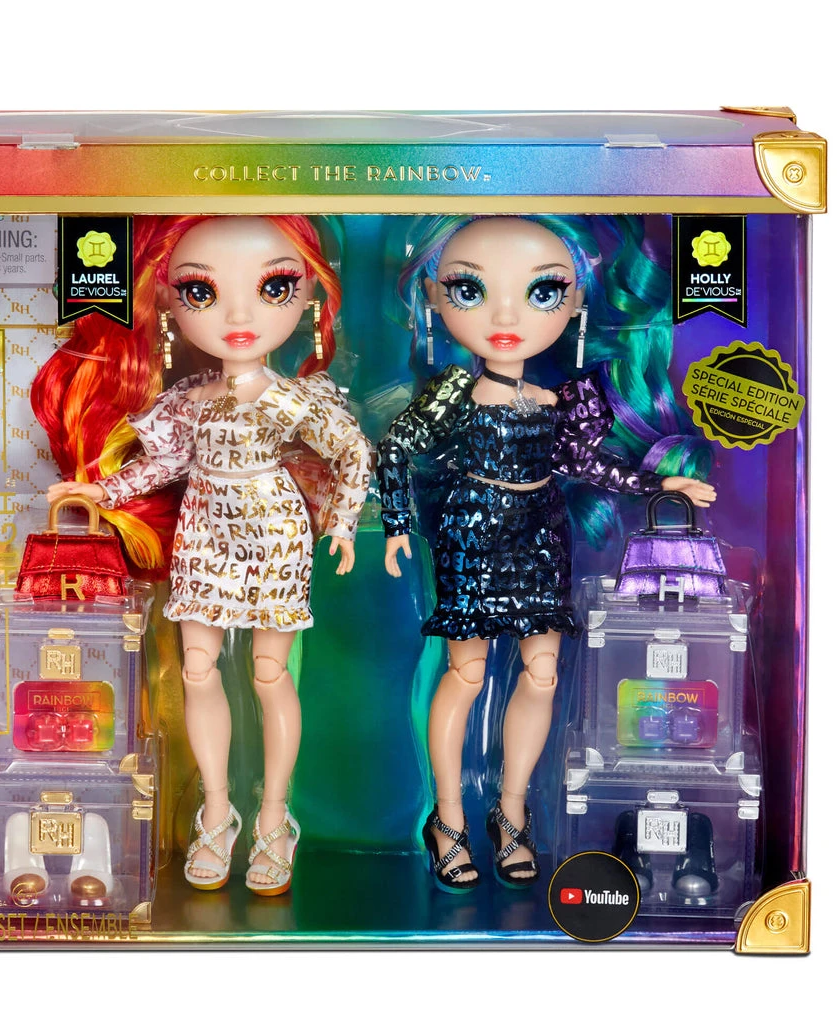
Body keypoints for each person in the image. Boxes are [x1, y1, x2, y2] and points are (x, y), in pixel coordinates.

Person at [377, 216, 715, 891]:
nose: (506, 317)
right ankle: (448, 818)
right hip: (473, 529)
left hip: (541, 531)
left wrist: (659, 485)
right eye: (470, 290)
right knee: (467, 673)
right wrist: (395, 525)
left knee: (542, 672)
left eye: (541, 292)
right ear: (434, 297)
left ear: (576, 300)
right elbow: (393, 450)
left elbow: (589, 465)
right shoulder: (451, 395)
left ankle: (511, 811)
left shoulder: (554, 401)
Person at [38, 215, 371, 895]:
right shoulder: (189, 401)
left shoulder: (291, 399)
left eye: (273, 287)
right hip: (204, 530)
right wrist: (101, 490)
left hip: (274, 531)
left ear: (311, 293)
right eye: (202, 292)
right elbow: (164, 463)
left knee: (271, 675)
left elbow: (352, 452)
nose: (239, 316)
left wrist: (341, 523)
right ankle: (217, 811)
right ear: (167, 299)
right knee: (197, 668)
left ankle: (274, 816)